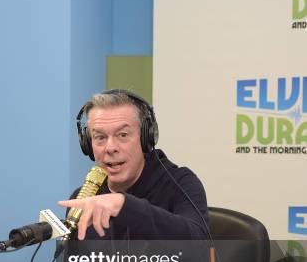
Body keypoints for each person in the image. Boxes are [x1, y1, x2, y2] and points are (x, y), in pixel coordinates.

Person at [58, 89, 208, 241]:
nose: (110, 148)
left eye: (122, 135)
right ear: (88, 145)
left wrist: (125, 206)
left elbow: (199, 242)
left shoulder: (180, 183)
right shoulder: (84, 199)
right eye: (100, 137)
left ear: (145, 139)